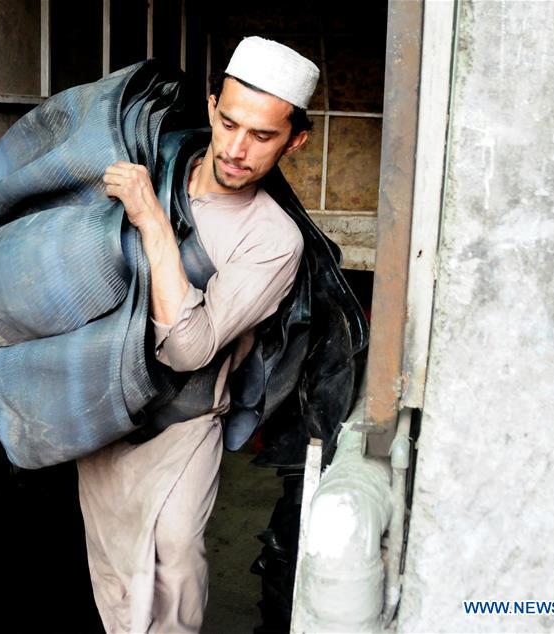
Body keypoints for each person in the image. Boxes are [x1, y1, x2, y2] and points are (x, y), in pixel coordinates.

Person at [78, 36, 320, 633]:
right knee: (113, 571)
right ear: (211, 106)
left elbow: (187, 346)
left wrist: (150, 219)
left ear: (295, 140)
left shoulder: (273, 240)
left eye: (262, 136)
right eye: (230, 123)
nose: (237, 150)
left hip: (183, 424)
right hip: (103, 412)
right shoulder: (151, 166)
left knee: (175, 561)